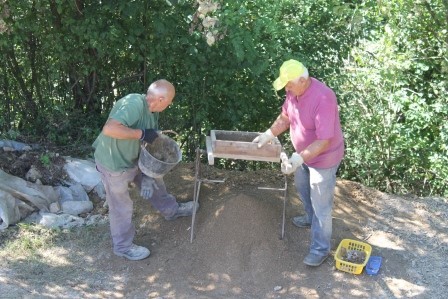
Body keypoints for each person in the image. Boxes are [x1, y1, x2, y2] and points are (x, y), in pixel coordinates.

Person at [93, 79, 198, 261]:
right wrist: (142, 134)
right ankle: (123, 247)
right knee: (121, 207)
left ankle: (171, 211)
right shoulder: (133, 103)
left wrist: (154, 138)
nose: (169, 105)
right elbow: (109, 129)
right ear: (160, 99)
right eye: (169, 101)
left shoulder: (152, 111)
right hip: (114, 164)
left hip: (136, 158)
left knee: (154, 180)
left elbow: (148, 134)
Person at [253, 59, 344, 266]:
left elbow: (324, 140)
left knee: (321, 204)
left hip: (324, 158)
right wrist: (269, 133)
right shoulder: (293, 92)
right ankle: (310, 218)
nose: (287, 88)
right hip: (302, 155)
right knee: (302, 188)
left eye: (289, 84)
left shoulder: (324, 98)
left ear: (303, 80)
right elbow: (285, 117)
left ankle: (320, 250)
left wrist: (299, 158)